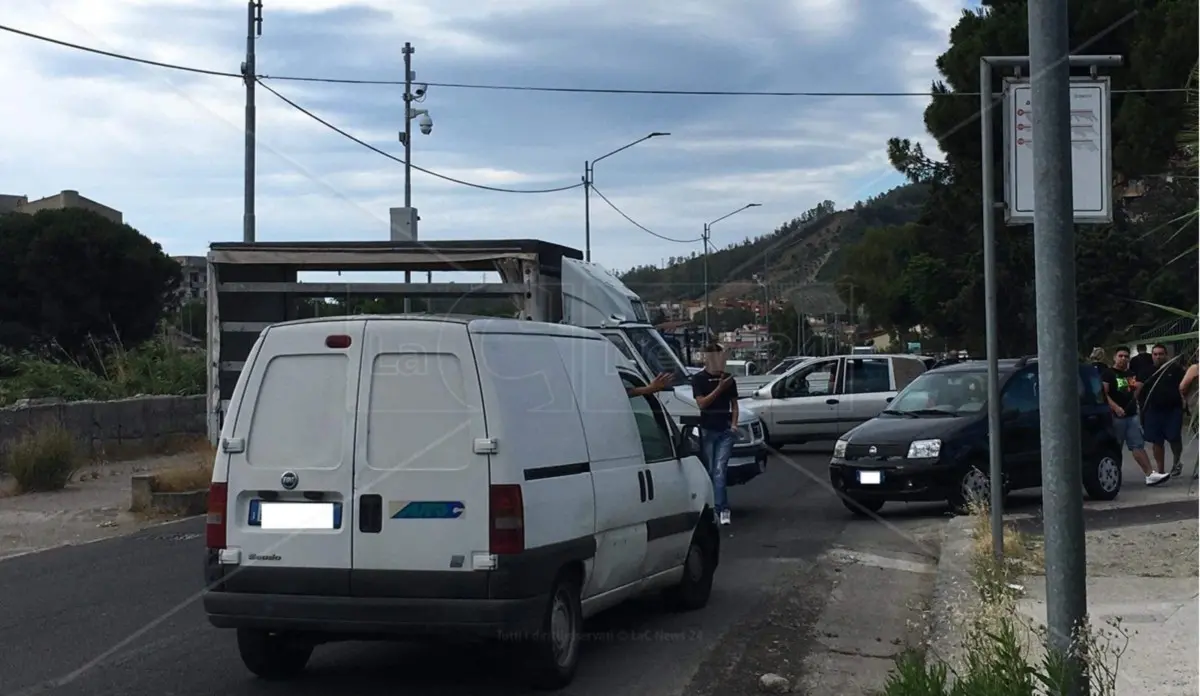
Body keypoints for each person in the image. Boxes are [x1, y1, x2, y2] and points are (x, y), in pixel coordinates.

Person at [1103, 346, 1169, 486]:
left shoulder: (1131, 373)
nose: (1123, 359)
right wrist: (1115, 407)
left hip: (1131, 415)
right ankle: (1114, 476)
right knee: (1115, 448)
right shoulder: (1108, 374)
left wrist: (1136, 404)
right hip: (1116, 417)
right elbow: (1104, 394)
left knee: (1137, 445)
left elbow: (1133, 392)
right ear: (1115, 357)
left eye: (1126, 356)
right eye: (1120, 356)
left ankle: (1150, 474)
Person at [691, 343, 738, 526]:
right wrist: (719, 388)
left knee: (720, 471)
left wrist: (734, 425)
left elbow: (734, 404)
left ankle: (722, 508)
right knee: (710, 471)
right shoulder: (698, 379)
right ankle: (711, 508)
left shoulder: (728, 379)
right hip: (707, 429)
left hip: (725, 430)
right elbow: (702, 404)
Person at [1140, 344, 1186, 477]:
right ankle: (1160, 470)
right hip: (1153, 410)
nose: (1158, 356)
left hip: (1173, 409)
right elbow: (1139, 389)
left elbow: (1185, 385)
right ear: (1152, 355)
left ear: (1166, 355)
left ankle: (1176, 462)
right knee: (1156, 441)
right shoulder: (1146, 372)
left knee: (1174, 437)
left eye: (1161, 354)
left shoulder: (1176, 369)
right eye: (1155, 354)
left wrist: (1184, 400)